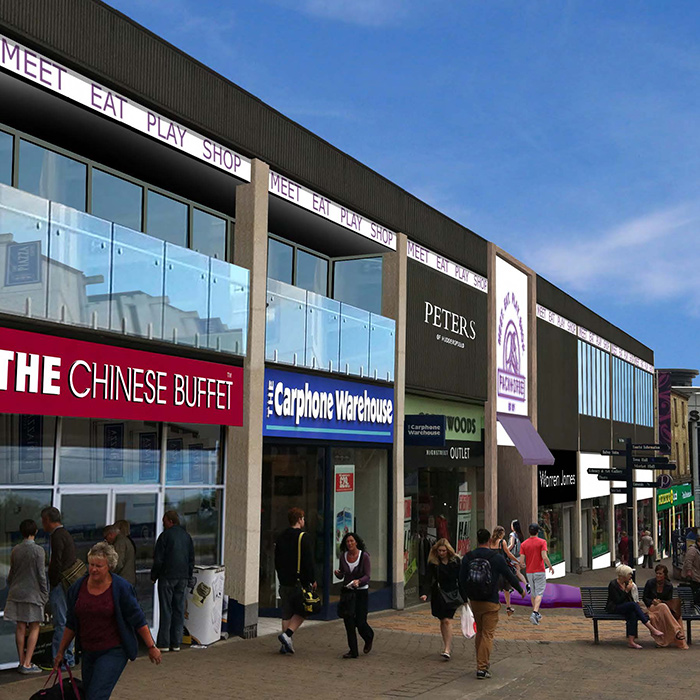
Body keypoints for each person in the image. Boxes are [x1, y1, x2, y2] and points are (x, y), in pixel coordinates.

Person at [54, 542, 161, 698]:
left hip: (114, 650)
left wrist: (151, 646)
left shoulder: (121, 588)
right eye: (91, 564)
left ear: (109, 566)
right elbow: (71, 623)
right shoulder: (77, 588)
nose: (93, 569)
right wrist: (60, 652)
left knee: (96, 696)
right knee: (88, 694)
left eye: (99, 566)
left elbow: (137, 619)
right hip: (88, 651)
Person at [459, 528, 524, 680]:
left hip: (474, 600)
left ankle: (481, 663)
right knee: (487, 634)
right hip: (491, 601)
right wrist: (520, 590)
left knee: (480, 632)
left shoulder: (468, 557)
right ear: (489, 540)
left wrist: (465, 598)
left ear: (477, 540)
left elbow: (461, 579)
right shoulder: (496, 558)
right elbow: (509, 575)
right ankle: (482, 668)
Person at [4, 519, 49, 674]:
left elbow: (11, 573)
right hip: (33, 593)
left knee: (20, 626)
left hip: (17, 592)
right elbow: (41, 575)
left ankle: (21, 661)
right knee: (35, 626)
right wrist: (45, 593)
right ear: (35, 531)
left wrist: (11, 584)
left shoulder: (16, 549)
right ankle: (28, 663)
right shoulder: (39, 551)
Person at [274, 507, 317, 654]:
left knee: (287, 612)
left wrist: (281, 575)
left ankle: (285, 645)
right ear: (299, 520)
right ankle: (287, 635)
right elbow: (308, 561)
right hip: (299, 581)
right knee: (305, 609)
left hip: (284, 581)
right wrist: (312, 579)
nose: (304, 521)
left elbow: (277, 559)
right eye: (303, 518)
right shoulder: (303, 537)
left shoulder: (281, 536)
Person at [150, 510, 194, 652]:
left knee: (166, 609)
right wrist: (188, 576)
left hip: (167, 576)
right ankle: (176, 642)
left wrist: (154, 576)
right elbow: (191, 559)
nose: (163, 524)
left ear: (170, 521)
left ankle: (164, 643)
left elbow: (158, 560)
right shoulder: (187, 537)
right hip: (182, 577)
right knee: (179, 609)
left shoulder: (165, 536)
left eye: (164, 521)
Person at [41, 506, 77, 668]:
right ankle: (68, 658)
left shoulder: (57, 536)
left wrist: (53, 581)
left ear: (47, 520)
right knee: (67, 622)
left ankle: (60, 660)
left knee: (61, 623)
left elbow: (56, 561)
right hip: (68, 583)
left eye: (43, 521)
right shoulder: (65, 534)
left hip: (61, 584)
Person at [335, 532, 375, 659]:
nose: (350, 543)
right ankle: (353, 650)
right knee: (349, 621)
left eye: (352, 541)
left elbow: (367, 576)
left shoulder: (364, 556)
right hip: (348, 592)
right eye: (347, 542)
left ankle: (369, 636)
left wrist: (359, 581)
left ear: (356, 542)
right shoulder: (343, 556)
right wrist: (338, 574)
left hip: (361, 592)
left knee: (360, 621)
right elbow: (343, 573)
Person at [419, 538, 461, 659]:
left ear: (448, 551)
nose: (441, 553)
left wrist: (464, 596)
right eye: (439, 551)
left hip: (452, 594)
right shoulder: (434, 563)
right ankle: (446, 643)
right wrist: (425, 593)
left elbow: (460, 578)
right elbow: (428, 578)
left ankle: (447, 648)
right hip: (439, 594)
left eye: (443, 551)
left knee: (447, 620)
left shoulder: (455, 562)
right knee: (442, 620)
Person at [606, 564, 663, 649]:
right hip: (614, 607)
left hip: (625, 606)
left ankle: (631, 641)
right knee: (633, 605)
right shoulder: (613, 584)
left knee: (633, 614)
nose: (631, 576)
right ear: (624, 575)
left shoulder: (626, 583)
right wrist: (626, 591)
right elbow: (617, 600)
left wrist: (631, 590)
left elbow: (631, 598)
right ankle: (651, 628)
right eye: (629, 574)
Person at [642, 564, 688, 649]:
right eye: (657, 573)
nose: (658, 575)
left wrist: (661, 601)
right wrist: (652, 601)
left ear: (665, 575)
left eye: (660, 573)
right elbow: (645, 598)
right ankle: (677, 630)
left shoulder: (668, 585)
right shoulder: (650, 583)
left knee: (663, 607)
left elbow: (668, 600)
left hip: (664, 608)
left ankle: (664, 639)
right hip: (651, 607)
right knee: (662, 607)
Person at [519, 522, 554, 625]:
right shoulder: (542, 542)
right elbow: (544, 556)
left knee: (533, 593)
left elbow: (521, 561)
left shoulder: (524, 544)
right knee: (539, 593)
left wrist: (522, 565)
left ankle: (536, 613)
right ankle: (534, 613)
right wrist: (550, 566)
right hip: (539, 571)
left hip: (529, 572)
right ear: (537, 532)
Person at [490, 525, 523, 617]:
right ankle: (508, 607)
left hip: (493, 566)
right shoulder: (502, 542)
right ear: (501, 533)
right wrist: (517, 561)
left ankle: (493, 605)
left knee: (494, 587)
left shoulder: (491, 542)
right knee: (506, 588)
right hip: (501, 566)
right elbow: (508, 554)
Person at [680, 537, 700, 604]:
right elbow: (688, 561)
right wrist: (689, 571)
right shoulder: (692, 550)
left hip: (697, 575)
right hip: (694, 576)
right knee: (695, 593)